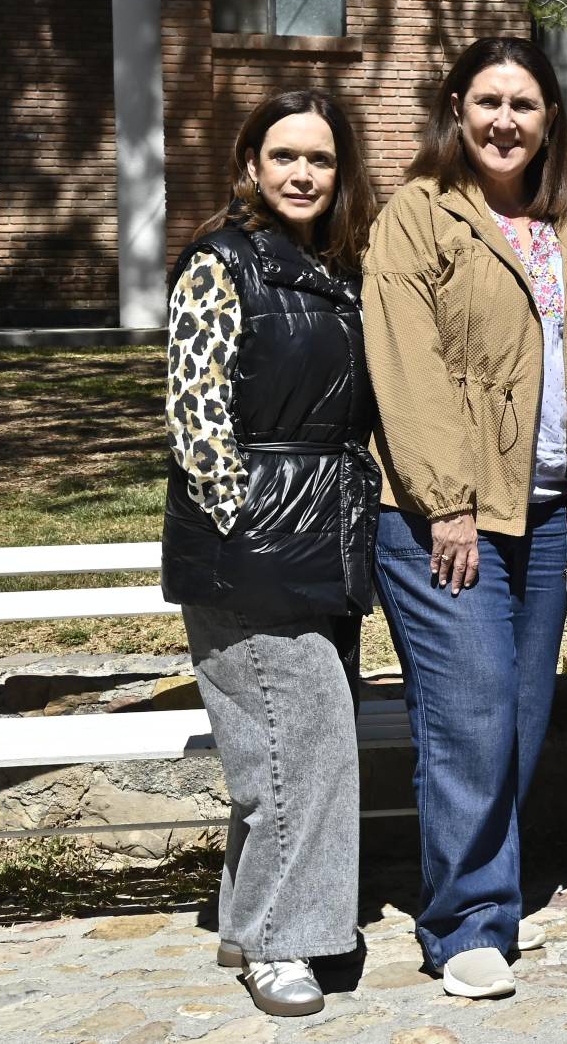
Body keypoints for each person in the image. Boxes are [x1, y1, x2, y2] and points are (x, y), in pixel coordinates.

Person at [362, 37, 567, 999]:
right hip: (443, 514)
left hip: (544, 512)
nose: (505, 121)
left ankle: (485, 886)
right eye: (488, 101)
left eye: (524, 104)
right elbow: (406, 366)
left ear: (549, 121)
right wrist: (445, 501)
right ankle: (466, 923)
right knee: (472, 712)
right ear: (457, 107)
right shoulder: (418, 215)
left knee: (522, 716)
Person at [162, 88, 380, 1018]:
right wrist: (243, 524)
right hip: (251, 546)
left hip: (325, 535)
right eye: (284, 155)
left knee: (281, 746)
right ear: (250, 163)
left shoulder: (336, 269)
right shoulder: (220, 264)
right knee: (307, 748)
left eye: (320, 159)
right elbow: (195, 414)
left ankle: (248, 920)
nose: (302, 173)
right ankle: (280, 942)